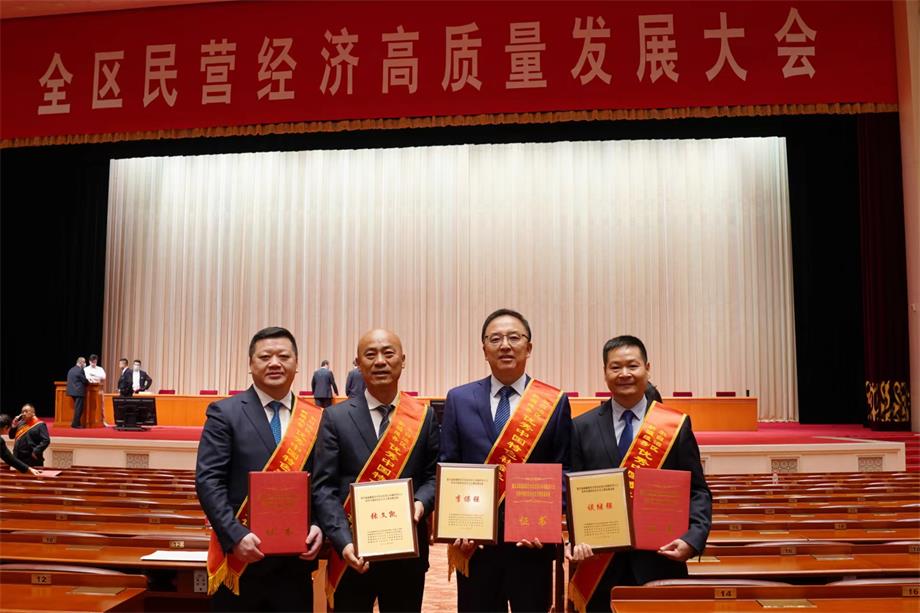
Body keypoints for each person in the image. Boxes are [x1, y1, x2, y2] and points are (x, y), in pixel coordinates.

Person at [567, 335, 712, 612]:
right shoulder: (581, 427)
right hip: (599, 565)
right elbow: (572, 493)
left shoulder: (674, 426)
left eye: (632, 366)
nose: (624, 374)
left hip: (660, 560)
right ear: (605, 372)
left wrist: (692, 539)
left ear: (647, 368)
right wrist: (573, 538)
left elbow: (698, 491)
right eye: (615, 367)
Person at [440, 308, 572, 612]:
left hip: (532, 544)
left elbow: (565, 469)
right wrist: (455, 525)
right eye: (495, 339)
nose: (505, 345)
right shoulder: (459, 399)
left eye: (514, 337)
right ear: (484, 349)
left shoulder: (553, 402)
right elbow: (449, 464)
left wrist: (546, 522)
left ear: (529, 347)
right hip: (475, 545)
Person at [196, 326, 324, 611]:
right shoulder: (224, 413)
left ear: (296, 363)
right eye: (265, 357)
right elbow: (209, 481)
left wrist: (319, 525)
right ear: (250, 364)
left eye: (283, 356)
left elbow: (323, 483)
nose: (275, 363)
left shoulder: (316, 418)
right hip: (241, 561)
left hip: (295, 564)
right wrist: (235, 535)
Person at [313, 329, 439, 612]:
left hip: (407, 554)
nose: (380, 361)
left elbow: (432, 477)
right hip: (352, 552)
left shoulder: (423, 416)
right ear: (358, 364)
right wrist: (343, 542)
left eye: (388, 353)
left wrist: (420, 503)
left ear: (403, 360)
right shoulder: (335, 417)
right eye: (370, 355)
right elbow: (324, 487)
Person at [84, 354, 109, 425]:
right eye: (92, 362)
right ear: (89, 361)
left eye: (95, 362)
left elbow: (103, 377)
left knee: (101, 405)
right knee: (89, 405)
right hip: (89, 389)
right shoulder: (86, 369)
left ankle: (102, 421)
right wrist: (95, 377)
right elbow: (87, 378)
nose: (93, 363)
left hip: (98, 389)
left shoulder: (100, 369)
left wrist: (93, 375)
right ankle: (88, 421)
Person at [66, 357, 89, 428]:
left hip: (72, 391)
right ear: (81, 362)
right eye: (84, 362)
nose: (85, 364)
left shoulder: (71, 369)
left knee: (77, 408)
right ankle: (75, 424)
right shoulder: (80, 370)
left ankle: (77, 423)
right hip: (78, 392)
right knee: (79, 409)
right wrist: (88, 381)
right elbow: (84, 380)